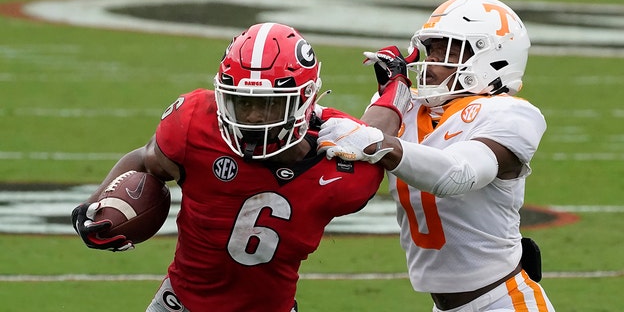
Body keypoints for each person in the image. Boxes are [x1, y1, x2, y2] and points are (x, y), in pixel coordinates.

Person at [70, 22, 391, 312]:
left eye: (268, 105)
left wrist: (392, 92)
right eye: (243, 102)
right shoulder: (194, 127)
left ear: (305, 99)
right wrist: (92, 207)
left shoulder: (343, 171)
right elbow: (145, 159)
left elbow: (376, 140)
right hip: (179, 304)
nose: (251, 118)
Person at [317, 0, 555, 311]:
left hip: (503, 301)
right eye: (432, 50)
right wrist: (393, 94)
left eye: (450, 50)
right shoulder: (411, 105)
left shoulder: (510, 114)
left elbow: (458, 174)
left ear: (493, 58)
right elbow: (361, 143)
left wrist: (375, 142)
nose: (430, 62)